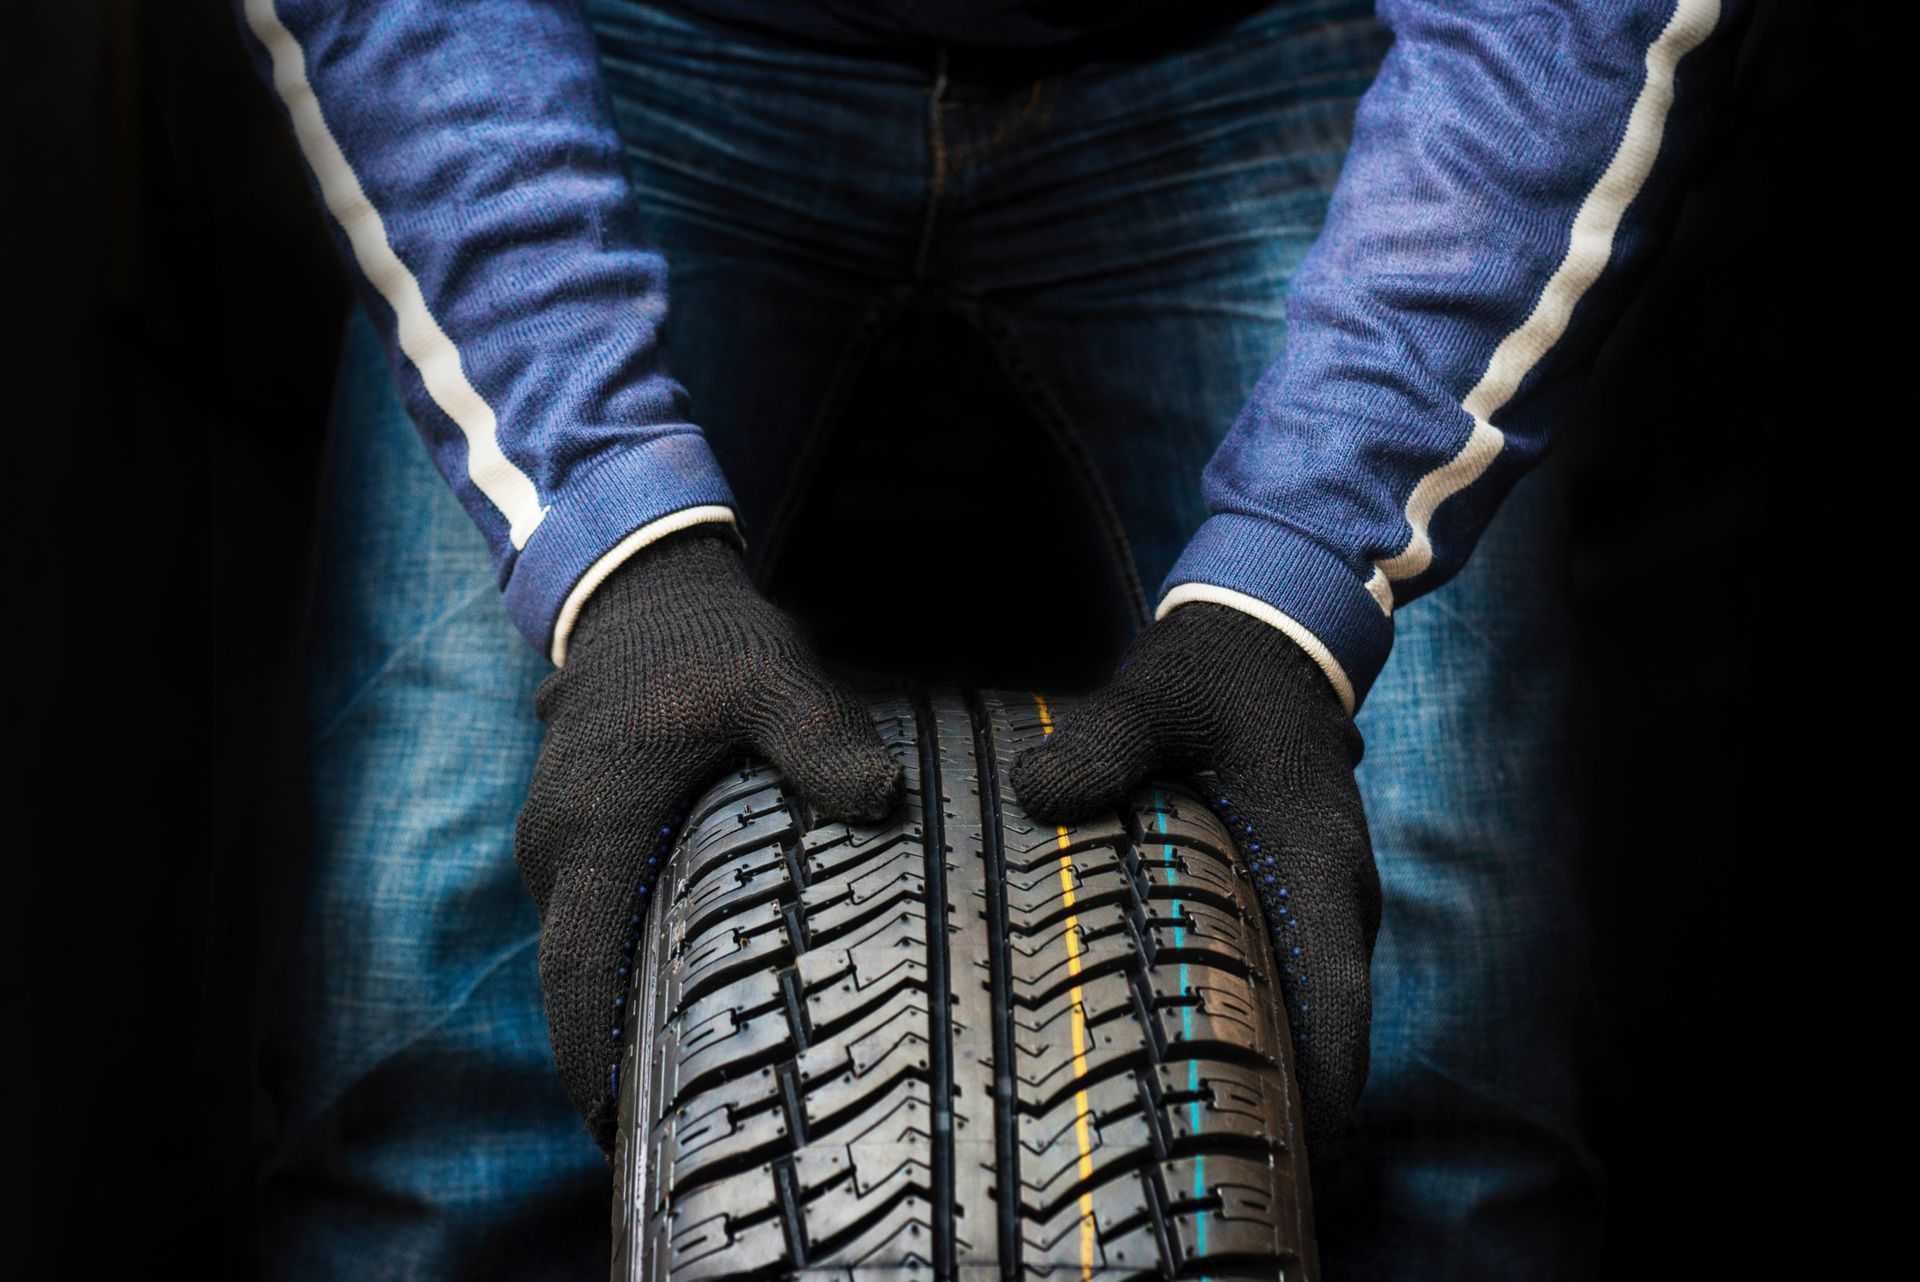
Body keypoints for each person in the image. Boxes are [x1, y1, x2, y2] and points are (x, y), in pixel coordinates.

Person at [237, 0, 1743, 1277]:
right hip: (619, 58)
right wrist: (611, 551)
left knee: (1448, 988)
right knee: (435, 992)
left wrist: (1298, 583)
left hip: (1267, 54)